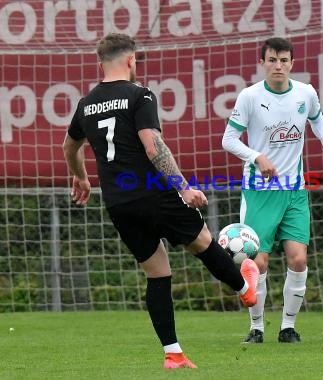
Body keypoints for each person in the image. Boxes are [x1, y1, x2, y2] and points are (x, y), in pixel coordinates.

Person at [62, 33, 260, 369]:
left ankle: (173, 353)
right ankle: (244, 287)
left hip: (118, 202)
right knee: (202, 242)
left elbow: (69, 147)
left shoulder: (86, 104)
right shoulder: (140, 95)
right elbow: (153, 146)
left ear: (100, 64)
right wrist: (183, 187)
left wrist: (80, 176)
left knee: (157, 272)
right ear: (131, 60)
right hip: (153, 192)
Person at [222, 37, 323, 344]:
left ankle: (288, 326)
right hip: (260, 191)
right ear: (262, 62)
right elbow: (229, 139)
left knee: (298, 259)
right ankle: (257, 327)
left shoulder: (305, 93)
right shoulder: (250, 97)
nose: (278, 65)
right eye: (272, 60)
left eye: (284, 60)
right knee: (258, 262)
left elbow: (316, 120)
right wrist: (256, 156)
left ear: (292, 63)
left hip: (295, 191)